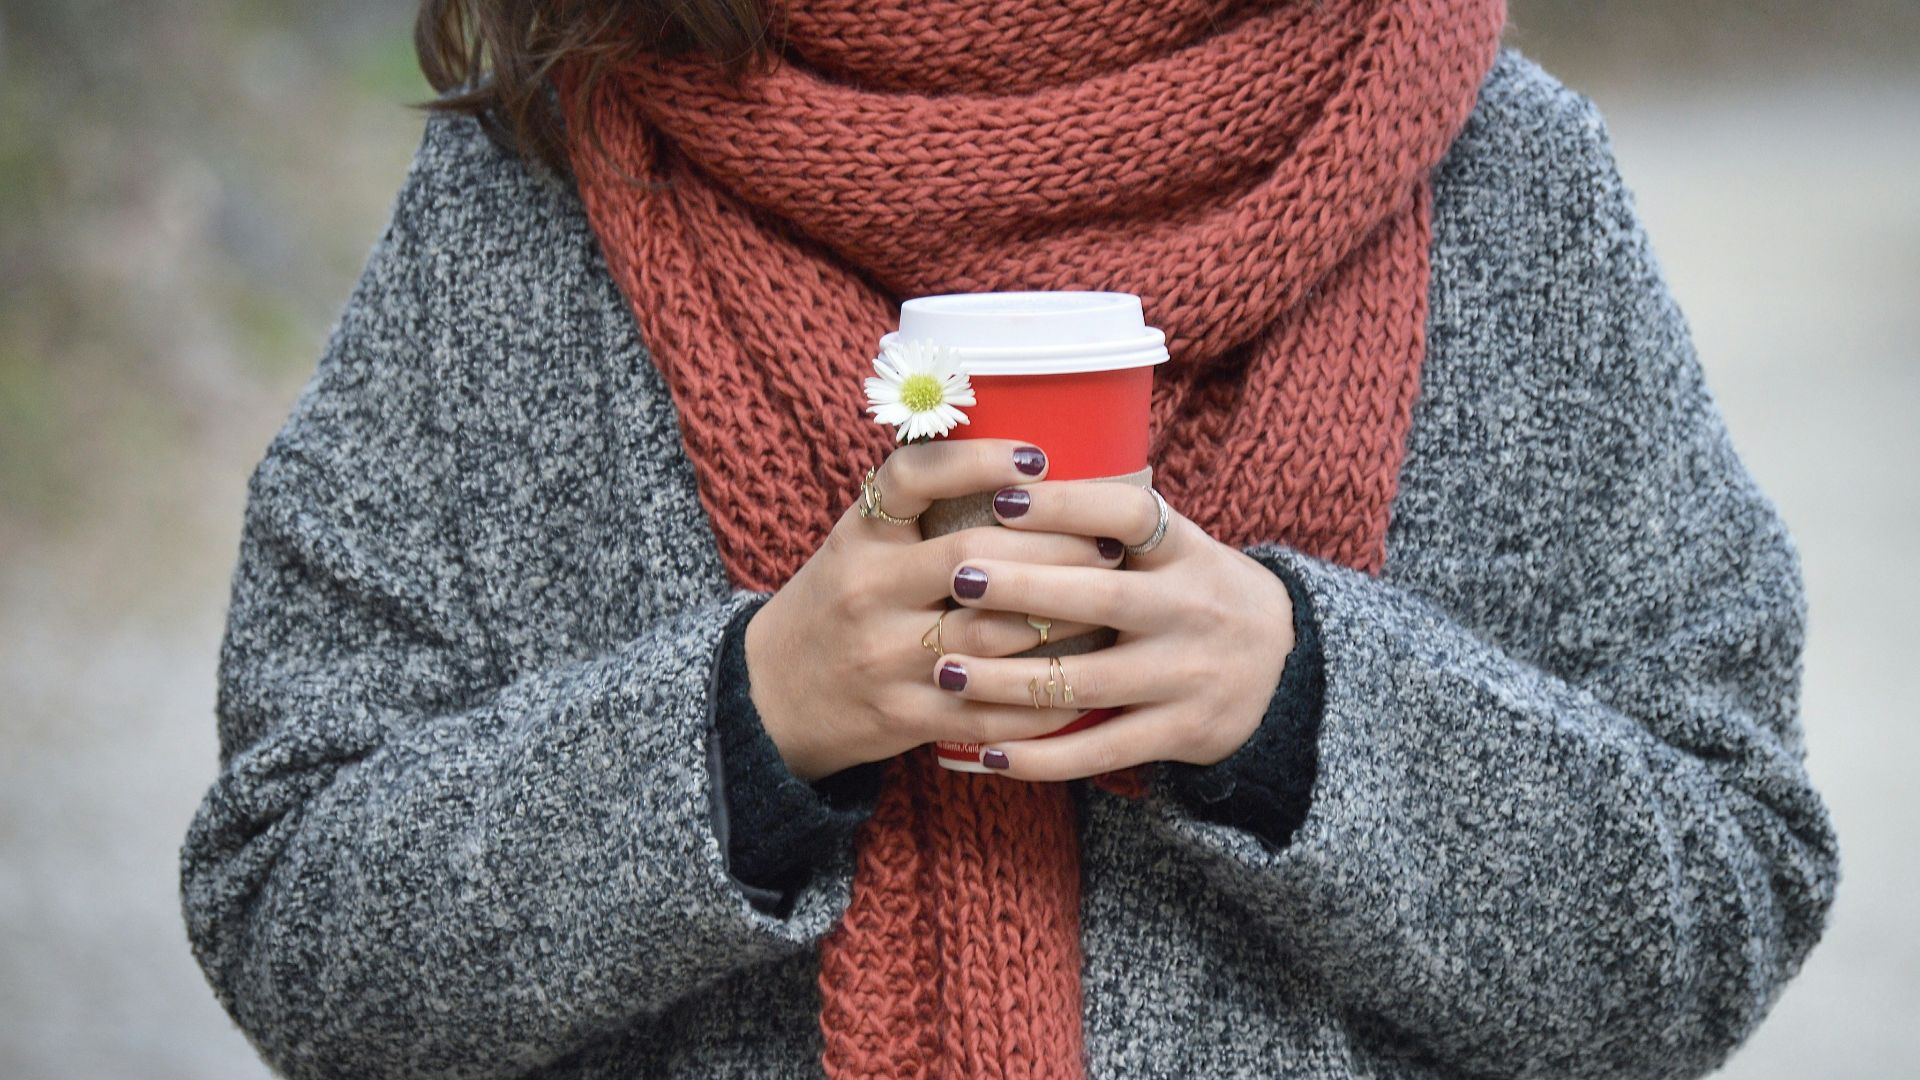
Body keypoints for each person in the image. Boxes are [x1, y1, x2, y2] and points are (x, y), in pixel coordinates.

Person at [178, 0, 1839, 1077]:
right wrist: (742, 725)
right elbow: (296, 927)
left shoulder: (1499, 177)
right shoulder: (534, 193)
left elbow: (1719, 908)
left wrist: (1310, 711)